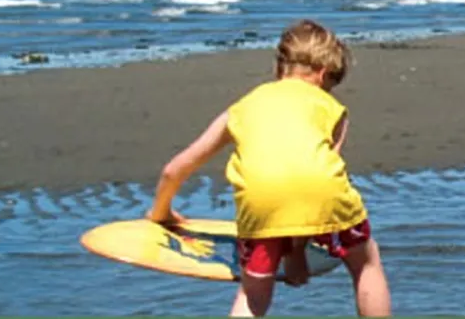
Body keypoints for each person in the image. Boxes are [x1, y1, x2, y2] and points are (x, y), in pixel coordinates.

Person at [145, 19, 392, 317]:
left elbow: (175, 169)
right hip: (324, 198)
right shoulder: (333, 110)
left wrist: (161, 211)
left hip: (259, 204)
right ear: (324, 75)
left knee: (253, 295)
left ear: (279, 68)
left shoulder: (241, 108)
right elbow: (308, 181)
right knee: (366, 262)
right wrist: (297, 253)